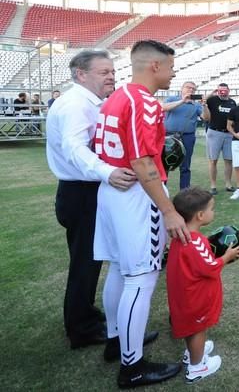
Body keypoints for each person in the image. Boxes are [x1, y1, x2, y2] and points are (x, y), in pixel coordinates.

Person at [94, 40, 189, 387]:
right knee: (141, 279)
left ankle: (116, 341)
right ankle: (132, 367)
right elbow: (143, 160)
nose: (173, 72)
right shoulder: (142, 102)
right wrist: (168, 211)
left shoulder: (117, 97)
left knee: (119, 269)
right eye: (170, 66)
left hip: (113, 190)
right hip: (135, 194)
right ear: (154, 66)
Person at [45, 50, 138, 350]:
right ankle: (81, 328)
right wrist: (107, 171)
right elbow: (75, 148)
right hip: (81, 191)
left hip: (82, 190)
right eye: (103, 72)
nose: (111, 76)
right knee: (85, 263)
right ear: (81, 74)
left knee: (90, 260)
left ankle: (85, 314)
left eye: (112, 71)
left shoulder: (87, 102)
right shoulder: (75, 105)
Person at [167, 188, 239, 382]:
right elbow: (210, 267)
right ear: (200, 215)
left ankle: (193, 353)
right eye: (212, 208)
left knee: (191, 328)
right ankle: (197, 367)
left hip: (183, 296)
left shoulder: (179, 236)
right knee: (198, 329)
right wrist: (227, 257)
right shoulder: (196, 242)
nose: (213, 212)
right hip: (195, 299)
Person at [162, 81, 203, 189]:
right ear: (182, 88)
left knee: (185, 166)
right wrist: (182, 101)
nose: (191, 90)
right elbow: (163, 108)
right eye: (188, 87)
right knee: (164, 164)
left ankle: (184, 193)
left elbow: (206, 117)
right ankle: (162, 191)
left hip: (187, 136)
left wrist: (205, 105)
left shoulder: (196, 104)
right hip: (169, 135)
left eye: (193, 89)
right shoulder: (172, 99)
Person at [201, 83, 236, 195]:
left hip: (228, 134)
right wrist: (213, 92)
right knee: (213, 160)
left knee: (229, 160)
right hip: (214, 132)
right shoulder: (212, 100)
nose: (222, 92)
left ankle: (228, 184)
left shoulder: (232, 102)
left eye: (224, 90)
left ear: (228, 90)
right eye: (220, 90)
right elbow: (205, 110)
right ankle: (213, 186)